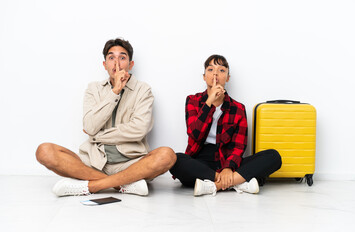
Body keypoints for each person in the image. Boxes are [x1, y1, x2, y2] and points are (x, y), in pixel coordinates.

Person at [36, 38, 176, 197]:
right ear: (105, 65)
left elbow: (139, 129)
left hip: (131, 164)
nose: (117, 62)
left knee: (167, 155)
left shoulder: (143, 90)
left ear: (131, 65)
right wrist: (115, 91)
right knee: (44, 151)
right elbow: (89, 126)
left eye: (122, 57)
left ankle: (91, 186)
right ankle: (122, 185)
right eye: (111, 58)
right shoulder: (93, 88)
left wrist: (98, 135)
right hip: (93, 162)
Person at [169, 54, 282, 196]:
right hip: (201, 161)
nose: (215, 73)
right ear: (204, 77)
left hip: (229, 161)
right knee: (175, 160)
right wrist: (209, 103)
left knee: (273, 156)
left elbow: (239, 146)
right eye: (210, 69)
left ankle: (213, 186)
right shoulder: (193, 100)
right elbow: (194, 134)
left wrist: (228, 168)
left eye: (221, 70)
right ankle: (237, 183)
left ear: (228, 78)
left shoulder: (238, 108)